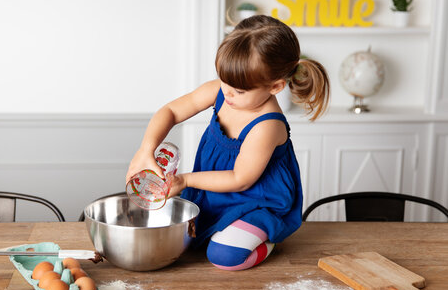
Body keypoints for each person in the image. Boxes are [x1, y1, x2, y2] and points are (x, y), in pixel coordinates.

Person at [126, 15, 330, 271]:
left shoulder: (267, 125)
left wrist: (186, 181)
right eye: (224, 81)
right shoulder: (223, 91)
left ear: (276, 86)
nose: (228, 93)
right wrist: (146, 149)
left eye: (240, 91)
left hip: (255, 201)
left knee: (223, 256)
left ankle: (267, 240)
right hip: (213, 194)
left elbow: (239, 179)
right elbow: (172, 111)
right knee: (169, 237)